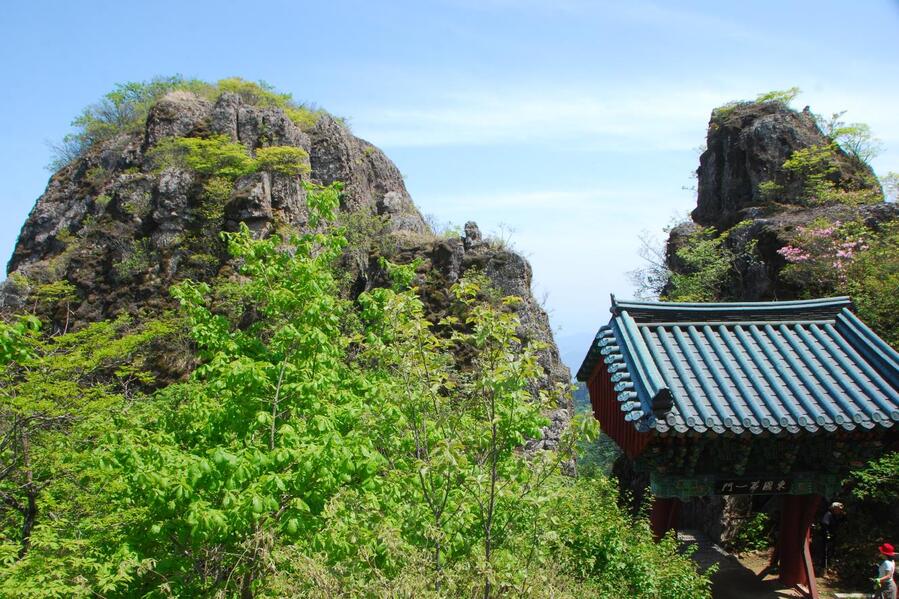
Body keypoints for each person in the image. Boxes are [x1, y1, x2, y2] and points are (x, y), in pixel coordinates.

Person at [819, 502, 844, 571]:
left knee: (830, 553)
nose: (840, 511)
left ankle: (828, 568)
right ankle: (823, 570)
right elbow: (824, 524)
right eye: (838, 509)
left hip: (832, 537)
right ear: (834, 509)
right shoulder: (828, 514)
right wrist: (828, 534)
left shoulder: (835, 516)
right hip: (826, 537)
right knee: (825, 553)